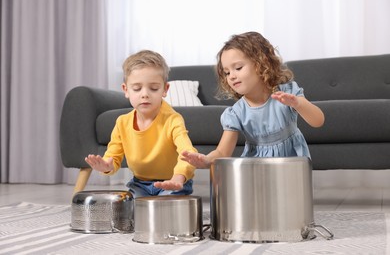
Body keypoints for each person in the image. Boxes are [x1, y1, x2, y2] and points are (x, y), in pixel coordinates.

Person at [182, 31, 325, 168]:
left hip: (291, 168)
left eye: (238, 68)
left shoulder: (287, 93)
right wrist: (206, 160)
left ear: (261, 64)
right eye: (227, 72)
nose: (231, 76)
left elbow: (318, 121)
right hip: (255, 172)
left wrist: (298, 103)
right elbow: (222, 152)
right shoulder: (236, 113)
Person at [85, 50, 197, 197]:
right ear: (126, 90)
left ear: (165, 89)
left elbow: (188, 154)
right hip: (140, 185)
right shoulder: (122, 122)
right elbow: (113, 156)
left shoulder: (173, 120)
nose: (145, 94)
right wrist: (106, 165)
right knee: (129, 209)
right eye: (137, 88)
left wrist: (178, 177)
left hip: (172, 183)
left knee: (166, 209)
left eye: (154, 88)